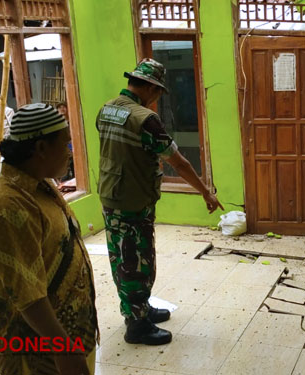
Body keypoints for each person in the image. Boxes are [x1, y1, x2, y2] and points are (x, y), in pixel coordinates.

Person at [96, 58, 223, 345]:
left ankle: (139, 310)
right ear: (151, 88)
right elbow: (178, 163)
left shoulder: (107, 109)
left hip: (111, 195)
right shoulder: (145, 119)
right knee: (137, 262)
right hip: (132, 201)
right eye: (158, 92)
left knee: (122, 257)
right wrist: (205, 191)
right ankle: (137, 326)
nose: (157, 99)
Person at [0, 103, 98, 374]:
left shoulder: (37, 185)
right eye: (64, 145)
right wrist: (64, 350)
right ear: (40, 149)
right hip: (38, 353)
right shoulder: (6, 210)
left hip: (69, 337)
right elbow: (28, 296)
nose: (69, 153)